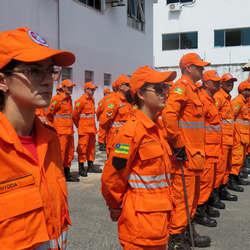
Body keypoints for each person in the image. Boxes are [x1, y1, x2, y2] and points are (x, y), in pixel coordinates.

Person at [0, 26, 75, 249]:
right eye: (34, 71)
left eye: (50, 70)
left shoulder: (49, 140)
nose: (46, 81)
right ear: (3, 81)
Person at [102, 65, 176, 250]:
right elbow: (112, 178)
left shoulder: (157, 129)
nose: (164, 94)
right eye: (158, 89)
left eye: (165, 89)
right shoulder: (131, 132)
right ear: (141, 94)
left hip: (159, 222)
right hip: (140, 227)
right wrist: (115, 207)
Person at [162, 52, 211, 249]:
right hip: (185, 155)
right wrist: (178, 144)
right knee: (183, 198)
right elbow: (169, 115)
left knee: (192, 199)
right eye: (199, 66)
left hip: (196, 155)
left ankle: (187, 231)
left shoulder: (195, 91)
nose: (202, 69)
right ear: (188, 68)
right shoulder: (180, 89)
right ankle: (175, 237)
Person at [194, 70, 222, 227]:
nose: (218, 83)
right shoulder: (202, 100)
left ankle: (204, 207)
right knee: (204, 183)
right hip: (205, 149)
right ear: (206, 83)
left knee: (208, 182)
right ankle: (199, 212)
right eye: (215, 81)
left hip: (213, 149)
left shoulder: (209, 99)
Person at [47, 79, 79, 182]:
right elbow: (49, 114)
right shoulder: (57, 99)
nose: (71, 89)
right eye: (69, 87)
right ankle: (58, 174)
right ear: (63, 88)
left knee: (69, 152)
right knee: (61, 153)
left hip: (69, 131)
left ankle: (67, 173)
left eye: (72, 87)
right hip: (60, 131)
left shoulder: (69, 99)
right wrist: (54, 127)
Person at [213, 73, 240, 198]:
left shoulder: (227, 98)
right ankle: (216, 195)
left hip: (229, 139)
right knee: (220, 169)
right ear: (221, 83)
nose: (231, 84)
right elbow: (214, 119)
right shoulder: (218, 97)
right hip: (222, 140)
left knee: (226, 167)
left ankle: (223, 190)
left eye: (232, 82)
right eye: (228, 82)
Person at [99, 74, 133, 155]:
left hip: (126, 136)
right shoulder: (114, 100)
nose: (130, 87)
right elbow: (104, 121)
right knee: (114, 162)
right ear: (121, 86)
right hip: (115, 137)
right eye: (128, 85)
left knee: (122, 162)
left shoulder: (128, 101)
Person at [73, 81, 102, 177]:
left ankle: (90, 166)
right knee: (82, 149)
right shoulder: (81, 101)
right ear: (86, 89)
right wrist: (80, 126)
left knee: (91, 148)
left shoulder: (92, 100)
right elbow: (75, 116)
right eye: (91, 89)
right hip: (84, 130)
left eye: (94, 89)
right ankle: (81, 168)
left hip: (92, 129)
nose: (93, 91)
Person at [230, 80, 250, 187]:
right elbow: (230, 118)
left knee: (241, 158)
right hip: (237, 136)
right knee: (236, 159)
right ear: (244, 91)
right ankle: (232, 180)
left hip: (243, 136)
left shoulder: (244, 102)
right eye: (249, 90)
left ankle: (237, 177)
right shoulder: (237, 102)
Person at [96, 87, 112, 151]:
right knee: (107, 132)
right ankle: (105, 144)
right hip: (109, 119)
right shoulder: (112, 100)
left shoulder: (102, 101)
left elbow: (98, 111)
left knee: (102, 132)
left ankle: (101, 145)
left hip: (103, 119)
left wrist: (97, 118)